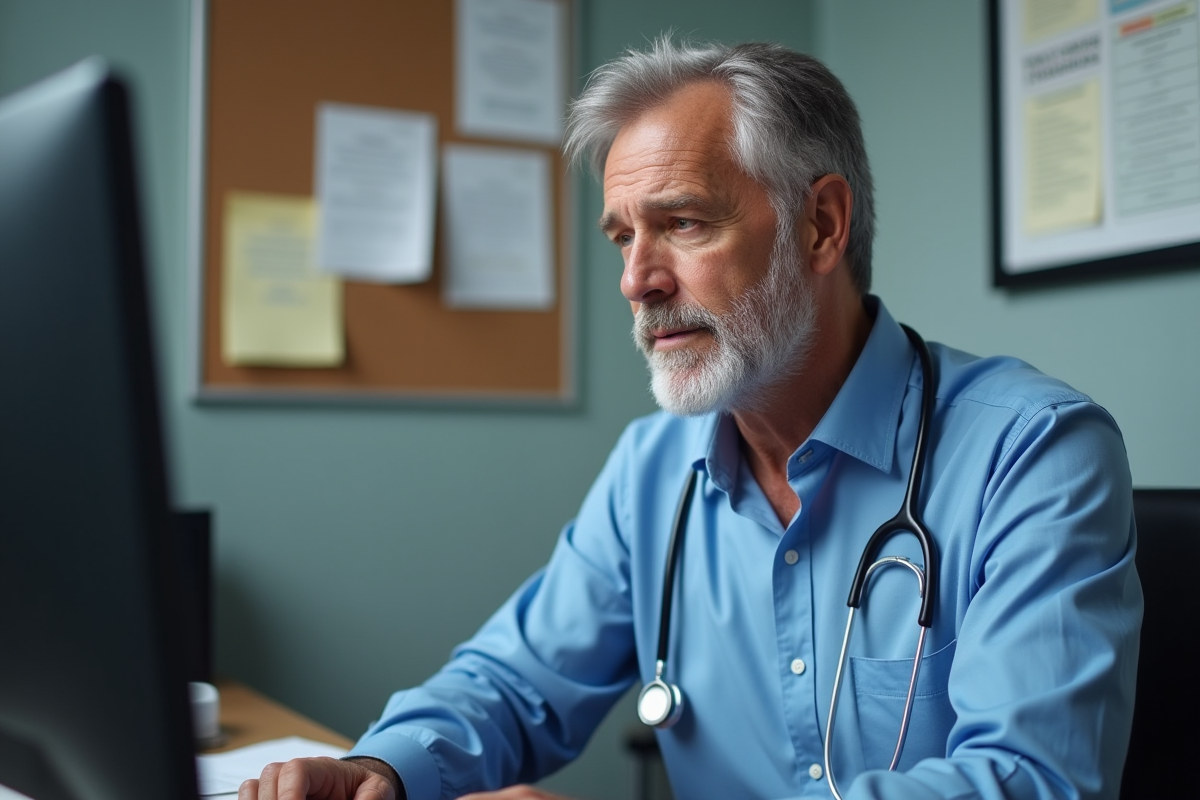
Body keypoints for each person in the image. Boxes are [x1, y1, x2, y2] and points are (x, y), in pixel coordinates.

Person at [241, 39, 1141, 800]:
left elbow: (1027, 779)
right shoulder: (653, 469)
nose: (639, 279)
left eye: (682, 223)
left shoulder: (1034, 454)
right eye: (623, 236)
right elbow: (514, 682)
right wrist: (382, 769)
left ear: (821, 226)